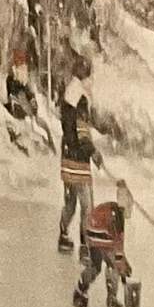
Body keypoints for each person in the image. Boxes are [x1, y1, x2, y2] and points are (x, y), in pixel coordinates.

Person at [72, 181, 140, 307]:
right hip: (100, 233)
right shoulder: (118, 218)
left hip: (91, 231)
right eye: (130, 207)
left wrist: (122, 263)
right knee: (113, 266)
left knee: (96, 266)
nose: (131, 211)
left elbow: (117, 248)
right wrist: (123, 267)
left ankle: (80, 290)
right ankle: (111, 301)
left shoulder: (113, 209)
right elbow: (118, 248)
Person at [53, 85, 93, 255]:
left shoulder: (67, 111)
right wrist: (94, 152)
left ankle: (63, 234)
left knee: (71, 202)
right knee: (87, 205)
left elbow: (72, 136)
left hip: (68, 161)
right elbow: (83, 136)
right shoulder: (81, 107)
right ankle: (84, 245)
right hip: (80, 165)